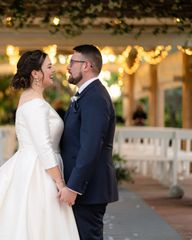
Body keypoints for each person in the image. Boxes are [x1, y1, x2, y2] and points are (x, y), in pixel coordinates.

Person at [0, 50, 79, 240]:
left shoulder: (32, 99)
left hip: (36, 165)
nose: (53, 69)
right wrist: (61, 184)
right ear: (35, 73)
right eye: (48, 66)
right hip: (39, 171)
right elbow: (44, 146)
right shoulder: (35, 104)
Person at [60, 44, 119, 240]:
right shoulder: (86, 95)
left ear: (86, 66)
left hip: (88, 189)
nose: (68, 67)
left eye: (72, 62)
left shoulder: (95, 97)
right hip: (86, 187)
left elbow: (91, 146)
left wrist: (74, 187)